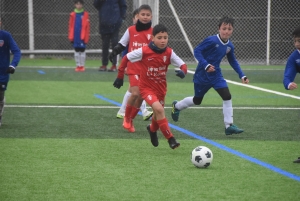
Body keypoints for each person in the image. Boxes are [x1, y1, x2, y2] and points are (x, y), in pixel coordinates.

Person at [113, 24, 187, 149]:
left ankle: (152, 130)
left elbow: (183, 65)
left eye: (165, 37)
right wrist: (120, 76)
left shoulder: (169, 52)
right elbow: (126, 58)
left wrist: (183, 72)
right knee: (159, 109)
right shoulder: (144, 51)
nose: (163, 40)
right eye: (159, 37)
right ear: (152, 38)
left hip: (161, 89)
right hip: (146, 87)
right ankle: (171, 139)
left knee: (157, 115)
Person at [171, 16, 249, 135]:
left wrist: (242, 75)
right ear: (219, 28)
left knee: (227, 96)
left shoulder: (229, 46)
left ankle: (229, 126)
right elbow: (197, 51)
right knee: (197, 100)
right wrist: (206, 65)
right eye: (224, 28)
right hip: (202, 75)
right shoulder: (212, 40)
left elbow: (233, 61)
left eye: (229, 29)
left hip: (216, 75)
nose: (226, 31)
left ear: (232, 30)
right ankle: (177, 106)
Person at [109, 4, 153, 132]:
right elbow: (122, 44)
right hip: (133, 67)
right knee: (135, 93)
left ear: (151, 16)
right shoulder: (131, 30)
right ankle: (127, 118)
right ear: (137, 16)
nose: (145, 17)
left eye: (147, 15)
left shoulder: (154, 32)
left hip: (147, 69)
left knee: (141, 97)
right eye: (142, 14)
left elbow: (158, 48)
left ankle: (130, 119)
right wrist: (114, 52)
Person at [282, 26, 300, 163]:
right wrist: (288, 84)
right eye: (295, 41)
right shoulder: (295, 57)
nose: (297, 44)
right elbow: (287, 75)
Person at [93, 0, 127, 72]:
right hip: (104, 24)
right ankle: (104, 64)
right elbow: (96, 4)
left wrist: (121, 19)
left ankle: (114, 65)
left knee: (115, 44)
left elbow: (123, 6)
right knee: (105, 45)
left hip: (115, 24)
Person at [0, 17, 21, 126]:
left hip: (2, 73)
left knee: (0, 96)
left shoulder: (6, 36)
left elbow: (17, 51)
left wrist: (13, 65)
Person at [68, 0, 90, 72]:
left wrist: (86, 37)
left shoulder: (85, 14)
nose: (79, 6)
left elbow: (87, 27)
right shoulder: (72, 14)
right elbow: (70, 26)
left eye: (80, 4)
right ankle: (78, 65)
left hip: (82, 36)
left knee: (82, 50)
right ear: (75, 5)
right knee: (76, 50)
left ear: (82, 5)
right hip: (75, 35)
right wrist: (71, 36)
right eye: (77, 4)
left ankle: (82, 65)